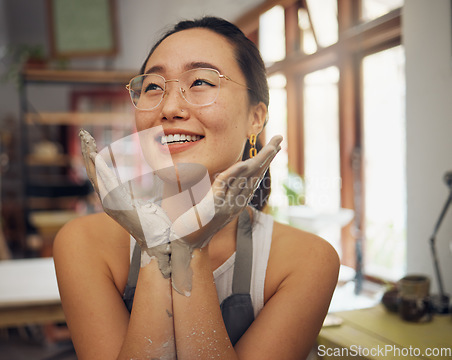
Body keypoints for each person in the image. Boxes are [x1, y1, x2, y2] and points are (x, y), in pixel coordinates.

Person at [53, 16, 339, 360]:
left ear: (256, 117)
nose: (170, 108)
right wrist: (157, 248)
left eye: (201, 81)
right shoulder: (83, 244)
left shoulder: (307, 261)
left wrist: (192, 248)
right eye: (153, 88)